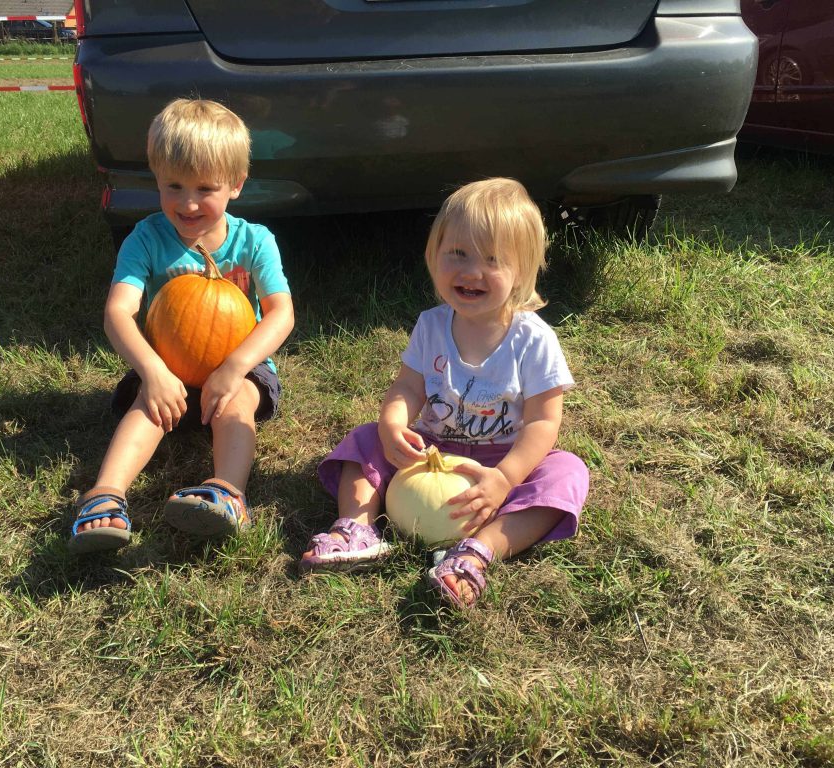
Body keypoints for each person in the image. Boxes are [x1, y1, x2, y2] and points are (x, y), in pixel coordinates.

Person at [300, 178, 588, 608]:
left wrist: (505, 478)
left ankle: (477, 552)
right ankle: (356, 528)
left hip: (499, 460)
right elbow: (408, 386)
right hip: (428, 453)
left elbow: (545, 420)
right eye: (457, 253)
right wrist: (393, 423)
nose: (471, 271)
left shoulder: (533, 340)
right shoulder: (431, 325)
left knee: (567, 472)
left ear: (521, 272)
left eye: (492, 259)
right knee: (364, 439)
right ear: (433, 257)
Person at [69, 98, 294, 554]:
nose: (188, 203)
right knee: (146, 407)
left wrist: (234, 367)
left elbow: (281, 313)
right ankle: (106, 494)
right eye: (173, 186)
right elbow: (118, 312)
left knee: (236, 406)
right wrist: (152, 373)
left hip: (236, 369)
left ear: (236, 185)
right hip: (166, 368)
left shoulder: (254, 241)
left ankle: (228, 493)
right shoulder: (147, 239)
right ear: (156, 180)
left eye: (204, 188)